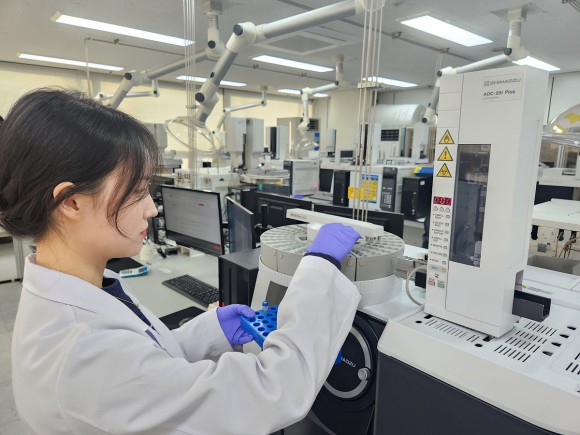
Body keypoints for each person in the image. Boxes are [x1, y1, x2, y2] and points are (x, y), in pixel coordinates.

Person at [0, 88, 361, 435]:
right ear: (71, 202)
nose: (152, 209)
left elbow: (149, 367)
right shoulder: (85, 353)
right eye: (136, 191)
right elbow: (268, 394)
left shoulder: (78, 288)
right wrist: (320, 266)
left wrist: (209, 332)